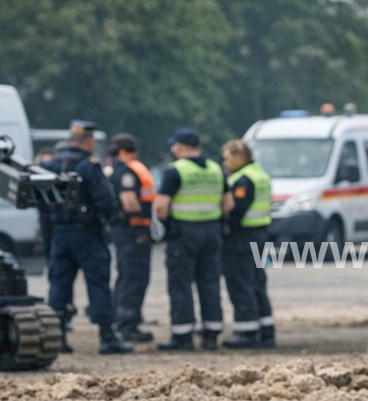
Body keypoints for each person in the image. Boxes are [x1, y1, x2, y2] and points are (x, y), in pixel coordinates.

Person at [43, 120, 133, 355]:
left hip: (59, 233)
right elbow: (105, 201)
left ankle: (57, 337)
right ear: (87, 142)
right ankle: (107, 336)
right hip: (87, 234)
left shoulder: (50, 165)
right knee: (98, 283)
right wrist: (113, 218)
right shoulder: (88, 166)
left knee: (59, 284)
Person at [153, 127, 231, 351]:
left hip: (183, 233)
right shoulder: (216, 169)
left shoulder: (175, 171)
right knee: (209, 282)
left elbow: (161, 207)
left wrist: (167, 227)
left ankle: (182, 336)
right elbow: (228, 204)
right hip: (211, 232)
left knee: (181, 285)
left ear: (179, 147)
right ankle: (211, 334)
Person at [220, 139, 275, 349]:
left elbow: (236, 211)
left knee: (240, 283)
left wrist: (225, 226)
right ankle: (266, 331)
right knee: (257, 282)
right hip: (260, 234)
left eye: (226, 158)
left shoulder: (243, 180)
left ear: (238, 156)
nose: (225, 163)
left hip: (242, 237)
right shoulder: (260, 174)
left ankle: (247, 332)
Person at [108, 133, 156, 343]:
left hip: (126, 230)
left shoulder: (121, 170)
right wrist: (142, 226)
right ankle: (127, 324)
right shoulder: (127, 172)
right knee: (133, 277)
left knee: (127, 275)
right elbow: (129, 202)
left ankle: (121, 319)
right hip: (132, 231)